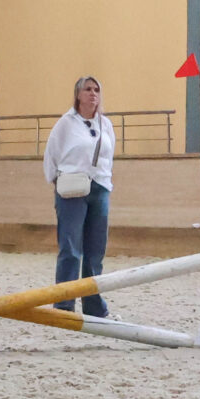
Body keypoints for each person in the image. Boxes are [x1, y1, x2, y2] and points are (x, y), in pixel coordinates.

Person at [43, 77, 116, 305]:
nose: (93, 93)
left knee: (96, 251)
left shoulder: (106, 125)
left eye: (96, 90)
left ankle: (93, 304)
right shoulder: (65, 123)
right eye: (87, 89)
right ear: (78, 95)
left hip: (100, 188)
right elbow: (51, 155)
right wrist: (58, 181)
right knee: (71, 249)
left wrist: (104, 179)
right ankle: (64, 303)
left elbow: (109, 156)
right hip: (72, 190)